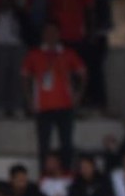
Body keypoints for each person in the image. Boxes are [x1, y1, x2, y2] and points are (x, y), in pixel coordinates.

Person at [21, 22, 86, 169]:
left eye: (54, 32)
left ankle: (66, 174)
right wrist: (29, 99)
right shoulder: (34, 54)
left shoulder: (68, 53)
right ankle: (45, 176)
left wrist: (79, 95)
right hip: (43, 107)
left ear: (59, 34)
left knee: (67, 144)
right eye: (47, 32)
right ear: (43, 35)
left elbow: (83, 73)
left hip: (66, 105)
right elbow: (25, 77)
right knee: (44, 145)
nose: (50, 35)